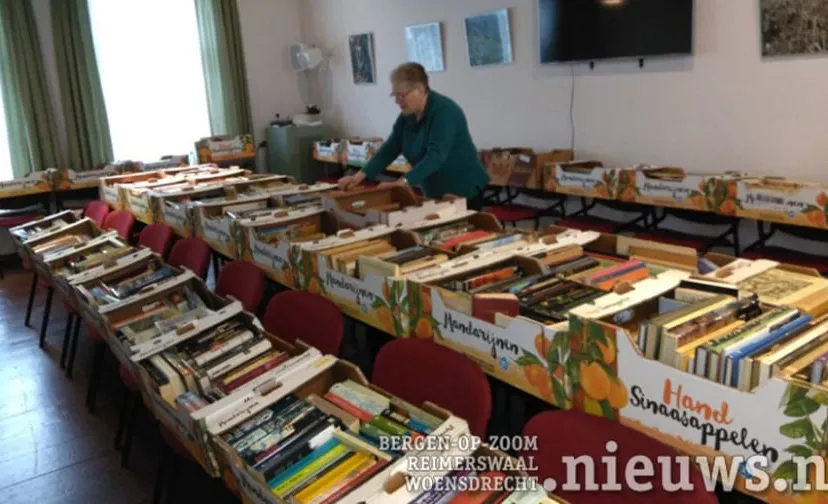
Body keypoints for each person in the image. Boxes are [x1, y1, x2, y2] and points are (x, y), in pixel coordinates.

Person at [337, 62, 490, 210]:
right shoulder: (408, 115)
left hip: (462, 189)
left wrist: (401, 182)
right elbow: (390, 147)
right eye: (394, 95)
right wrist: (358, 177)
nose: (397, 101)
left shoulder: (445, 111)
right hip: (434, 191)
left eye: (402, 95)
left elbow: (435, 156)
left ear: (420, 89)